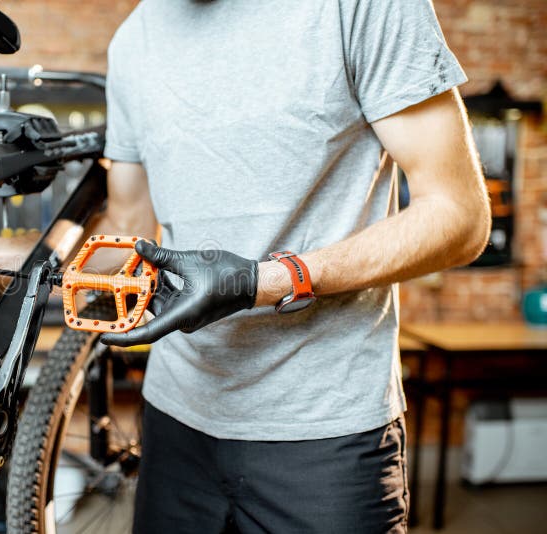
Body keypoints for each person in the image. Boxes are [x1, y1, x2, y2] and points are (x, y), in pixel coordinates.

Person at [93, 1, 491, 532]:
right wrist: (34, 270)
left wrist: (264, 283)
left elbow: (460, 216)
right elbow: (128, 222)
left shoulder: (360, 7)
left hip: (324, 438)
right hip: (174, 422)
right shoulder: (132, 41)